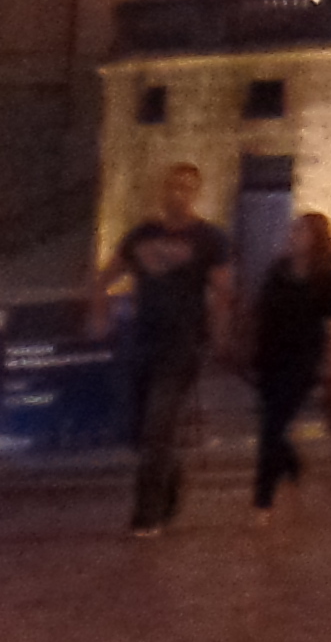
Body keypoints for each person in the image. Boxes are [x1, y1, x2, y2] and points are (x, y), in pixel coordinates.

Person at [98, 163, 237, 535]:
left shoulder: (210, 239)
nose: (179, 194)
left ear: (196, 193)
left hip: (183, 342)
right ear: (164, 190)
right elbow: (107, 274)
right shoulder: (142, 234)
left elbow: (223, 290)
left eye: (187, 188)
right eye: (173, 187)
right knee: (146, 429)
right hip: (143, 339)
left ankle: (147, 514)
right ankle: (170, 486)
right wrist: (97, 313)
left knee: (160, 422)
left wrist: (220, 335)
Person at [250, 209, 331, 512]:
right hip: (270, 356)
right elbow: (261, 309)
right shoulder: (278, 270)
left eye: (301, 232)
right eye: (293, 230)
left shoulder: (326, 277)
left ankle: (262, 502)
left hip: (303, 360)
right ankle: (291, 465)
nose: (293, 236)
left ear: (316, 240)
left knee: (271, 428)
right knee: (272, 424)